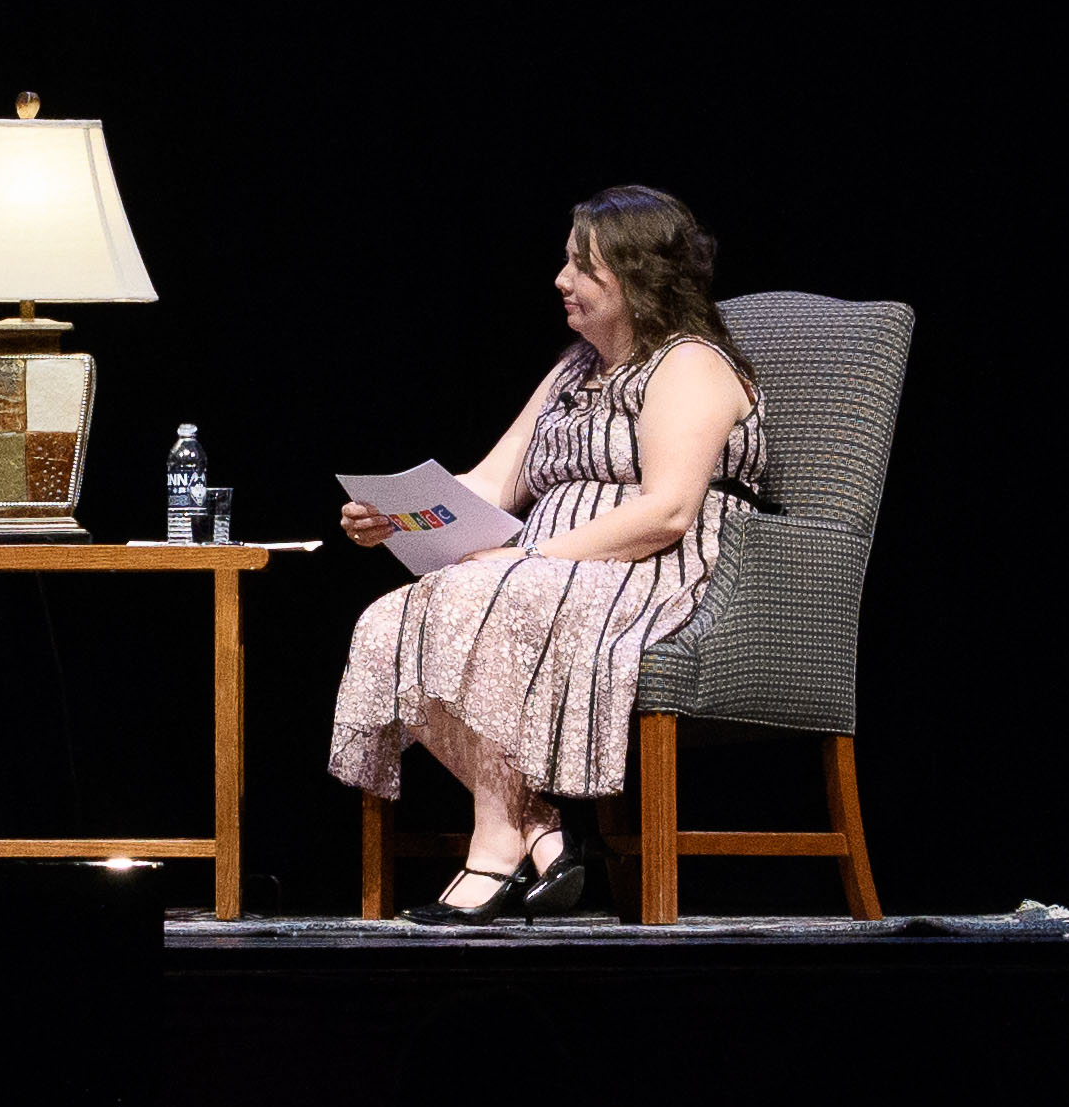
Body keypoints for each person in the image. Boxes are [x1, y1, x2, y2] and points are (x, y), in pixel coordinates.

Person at [328, 185, 768, 918]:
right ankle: (546, 831)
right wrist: (391, 517)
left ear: (636, 277)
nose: (561, 280)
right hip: (545, 567)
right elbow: (489, 485)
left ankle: (494, 854)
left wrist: (533, 559)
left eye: (582, 266)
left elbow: (666, 509)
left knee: (479, 597)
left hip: (652, 571)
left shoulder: (689, 364)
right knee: (390, 620)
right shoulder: (573, 370)